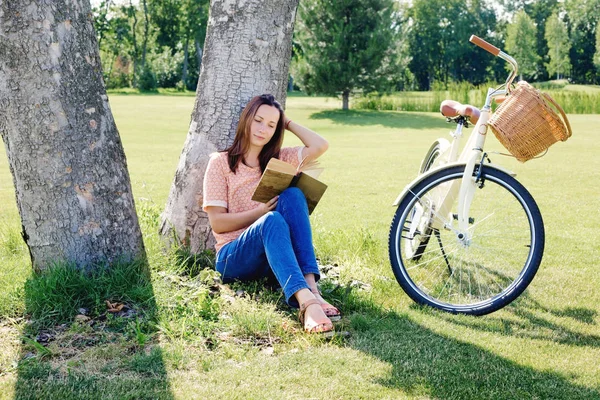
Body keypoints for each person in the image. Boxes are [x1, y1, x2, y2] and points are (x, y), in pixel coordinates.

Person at [202, 94, 340, 335]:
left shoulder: (279, 159)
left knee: (294, 195)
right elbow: (217, 223)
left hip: (272, 254)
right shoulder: (220, 163)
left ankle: (312, 288)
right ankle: (306, 303)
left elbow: (320, 146)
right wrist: (258, 213)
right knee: (271, 219)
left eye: (271, 125)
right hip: (232, 257)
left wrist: (287, 122)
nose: (263, 129)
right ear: (246, 120)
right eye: (258, 120)